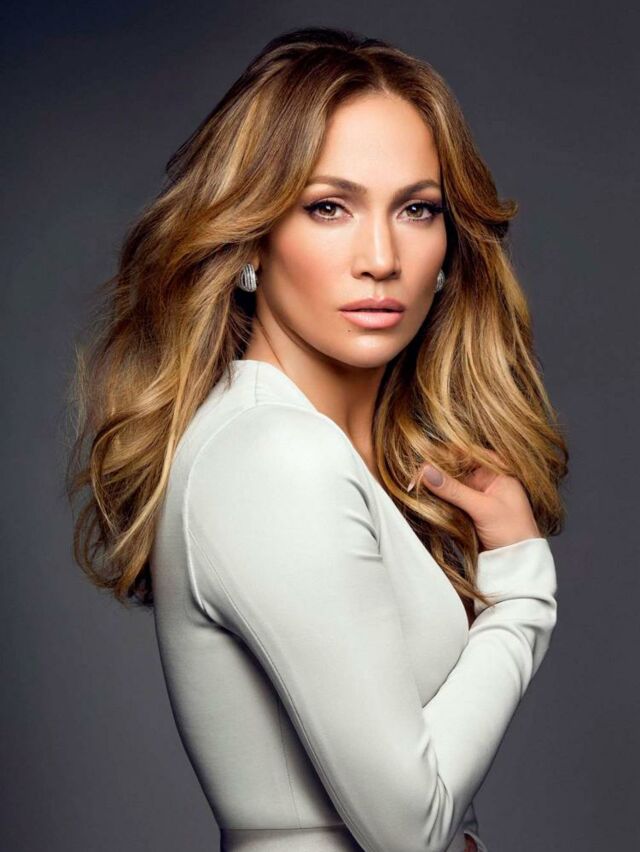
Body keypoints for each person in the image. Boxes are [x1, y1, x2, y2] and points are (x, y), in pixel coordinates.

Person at [66, 26, 568, 852]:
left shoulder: (321, 454)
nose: (381, 257)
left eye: (416, 209)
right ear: (251, 241)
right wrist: (521, 596)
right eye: (328, 207)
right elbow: (410, 828)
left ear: (449, 251)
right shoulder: (275, 457)